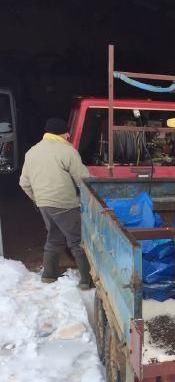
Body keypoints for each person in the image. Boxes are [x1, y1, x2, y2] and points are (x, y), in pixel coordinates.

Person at [19, 117, 91, 289]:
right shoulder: (67, 151)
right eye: (67, 133)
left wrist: (38, 200)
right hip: (64, 203)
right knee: (77, 241)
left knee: (54, 238)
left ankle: (49, 275)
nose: (68, 136)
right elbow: (83, 179)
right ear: (64, 133)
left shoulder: (32, 152)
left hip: (44, 205)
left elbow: (24, 183)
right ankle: (86, 281)